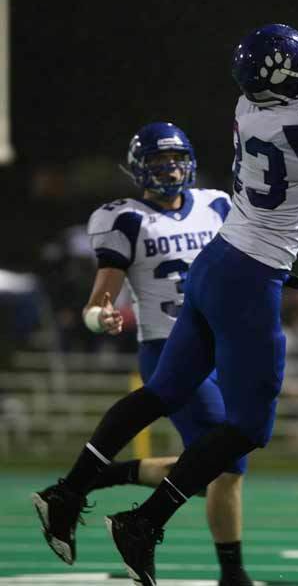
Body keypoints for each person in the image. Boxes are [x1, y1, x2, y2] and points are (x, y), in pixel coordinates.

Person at [32, 0, 298, 586]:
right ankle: (144, 522)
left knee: (164, 390)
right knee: (248, 429)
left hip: (218, 261)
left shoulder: (252, 105)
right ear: (282, 79)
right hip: (250, 277)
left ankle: (69, 492)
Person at [32, 121, 253, 586]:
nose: (170, 169)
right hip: (169, 347)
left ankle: (91, 481)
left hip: (222, 350)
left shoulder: (218, 205)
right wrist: (101, 317)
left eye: (175, 159)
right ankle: (230, 573)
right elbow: (99, 300)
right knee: (225, 464)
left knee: (223, 464)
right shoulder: (123, 217)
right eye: (157, 161)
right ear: (138, 169)